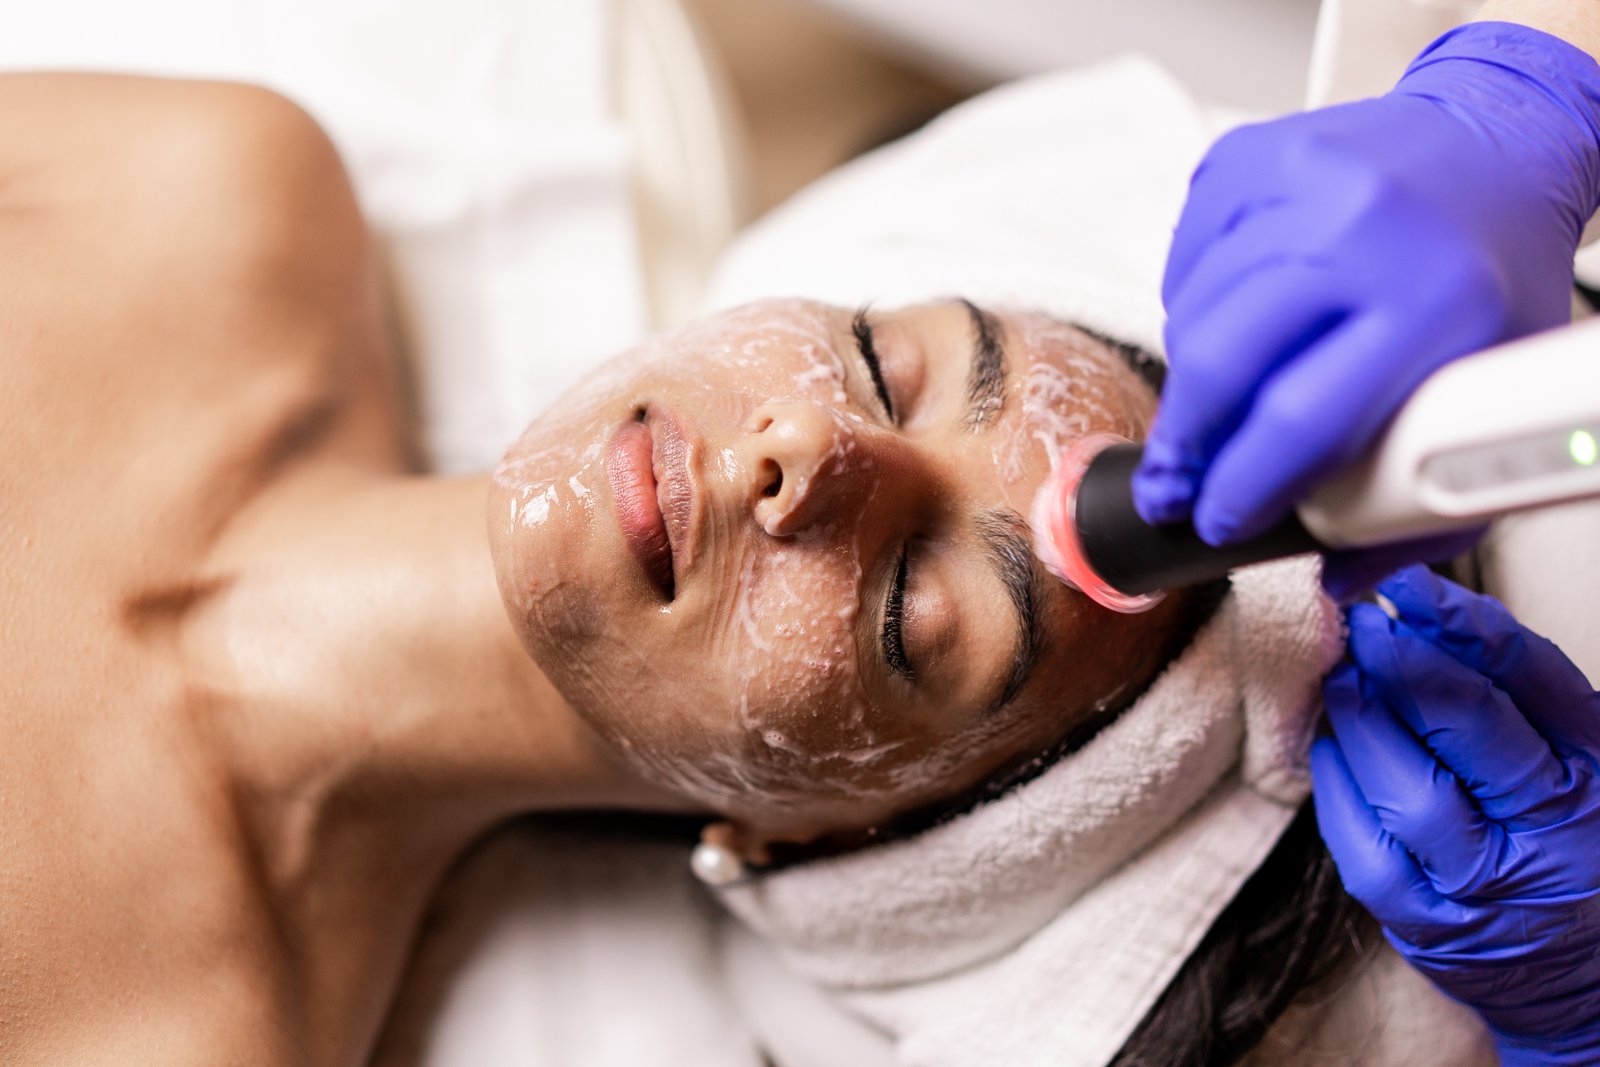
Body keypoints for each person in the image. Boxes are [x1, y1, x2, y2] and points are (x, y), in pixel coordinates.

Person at [0, 71, 1196, 1063]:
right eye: (886, 369)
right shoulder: (189, 193)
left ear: (828, 844)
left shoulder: (174, 1037)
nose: (813, 450)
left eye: (906, 607)